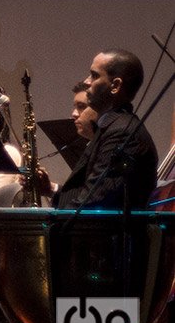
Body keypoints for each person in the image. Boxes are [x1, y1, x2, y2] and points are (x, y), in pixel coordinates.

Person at [54, 49, 157, 210]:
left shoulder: (121, 132)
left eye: (94, 76)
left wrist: (48, 226)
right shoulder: (112, 126)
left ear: (115, 86)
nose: (87, 82)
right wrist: (50, 190)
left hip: (102, 234)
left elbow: (93, 201)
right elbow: (87, 195)